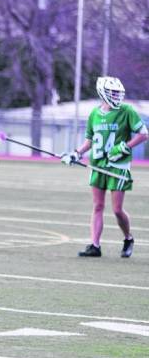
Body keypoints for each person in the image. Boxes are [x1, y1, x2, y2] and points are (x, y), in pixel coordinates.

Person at [61, 76, 148, 258]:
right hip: (98, 165)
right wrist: (76, 153)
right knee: (98, 205)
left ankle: (128, 238)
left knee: (117, 209)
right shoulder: (94, 114)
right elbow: (90, 141)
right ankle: (95, 245)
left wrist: (125, 146)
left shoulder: (127, 111)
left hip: (118, 166)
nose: (116, 97)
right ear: (103, 93)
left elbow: (143, 134)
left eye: (118, 93)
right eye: (113, 93)